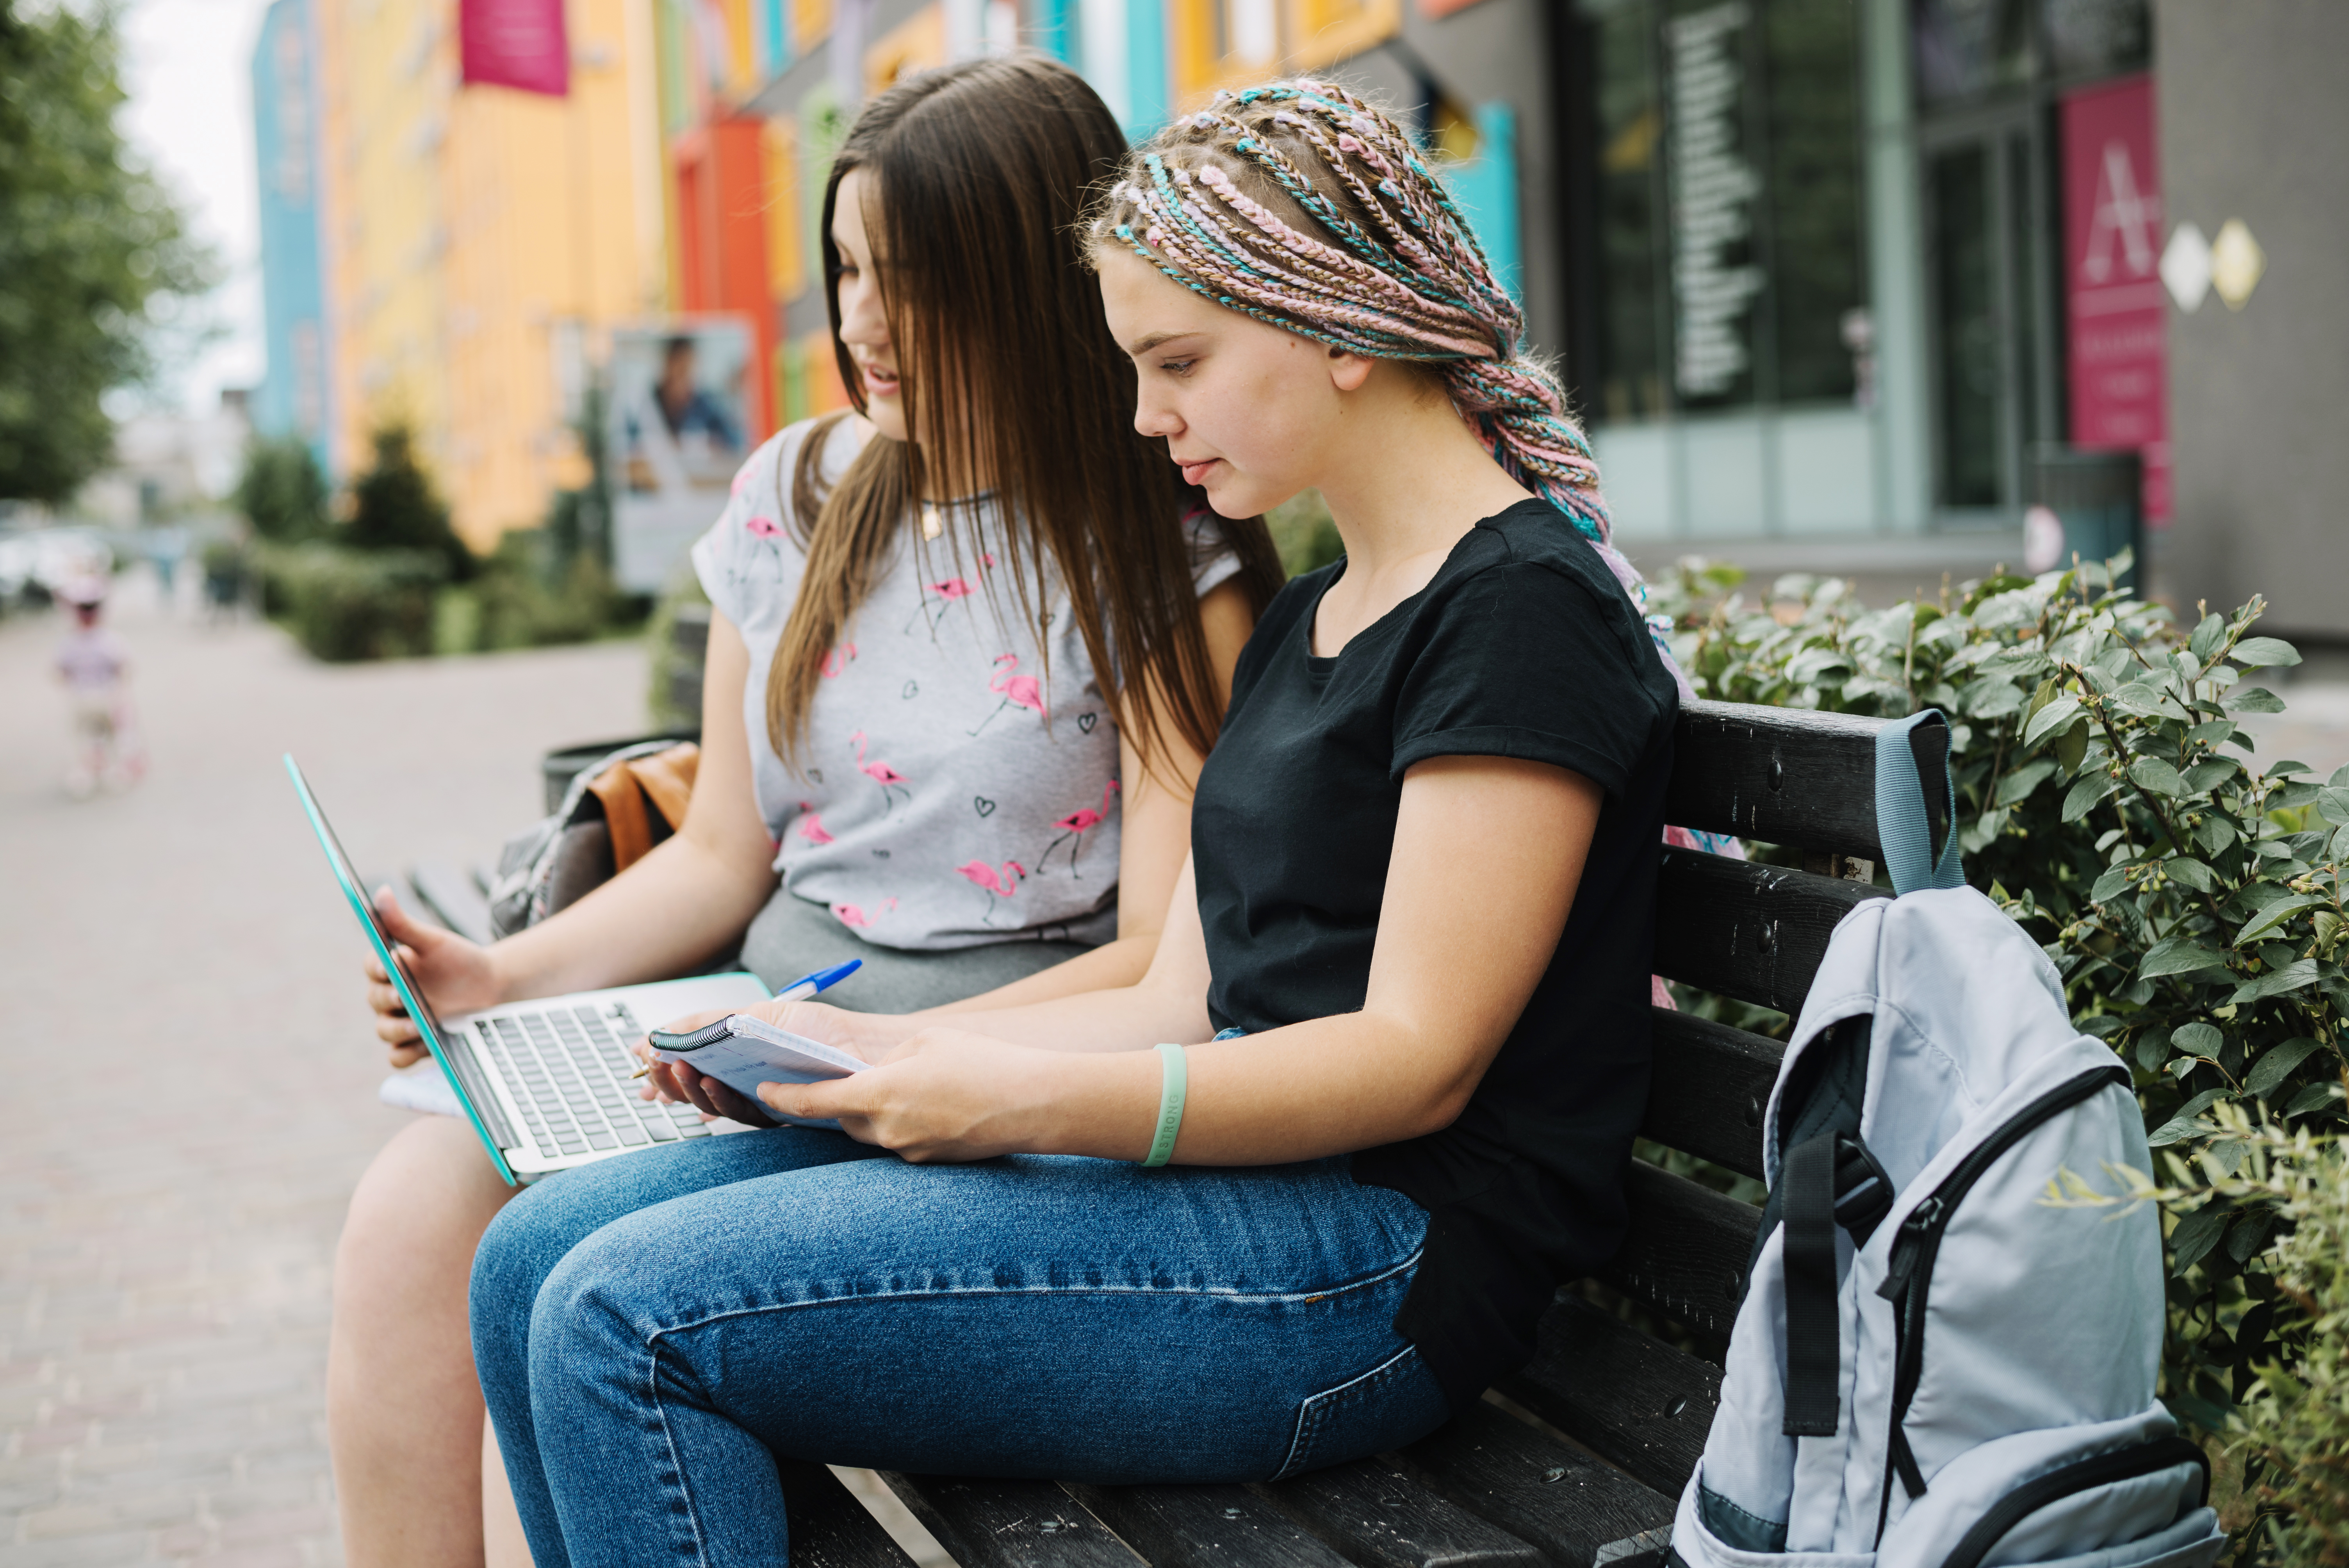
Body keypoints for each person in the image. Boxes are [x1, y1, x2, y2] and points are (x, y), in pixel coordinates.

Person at [467, 77, 1679, 1567]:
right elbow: (1182, 992)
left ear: (1336, 323)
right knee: (527, 1253)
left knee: (618, 1320)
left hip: (1368, 1270)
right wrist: (873, 1060)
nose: (1140, 414)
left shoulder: (1515, 614)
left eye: (1175, 360)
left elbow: (1413, 1066)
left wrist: (1011, 1102)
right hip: (1241, 1195)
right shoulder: (1323, 612)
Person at [326, 56, 1281, 1568]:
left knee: (570, 1270)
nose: (864, 323)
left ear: (1039, 287)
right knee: (407, 1213)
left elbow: (1164, 957)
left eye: (915, 281)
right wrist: (498, 978)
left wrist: (878, 1056)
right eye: (845, 269)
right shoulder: (797, 493)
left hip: (985, 1064)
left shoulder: (1157, 551)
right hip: (756, 1022)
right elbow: (722, 847)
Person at [53, 576, 144, 795]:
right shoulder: (110, 640)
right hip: (108, 697)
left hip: (82, 700)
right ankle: (119, 770)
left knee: (87, 739)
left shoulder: (69, 642)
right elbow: (124, 669)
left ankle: (87, 773)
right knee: (117, 736)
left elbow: (60, 673)